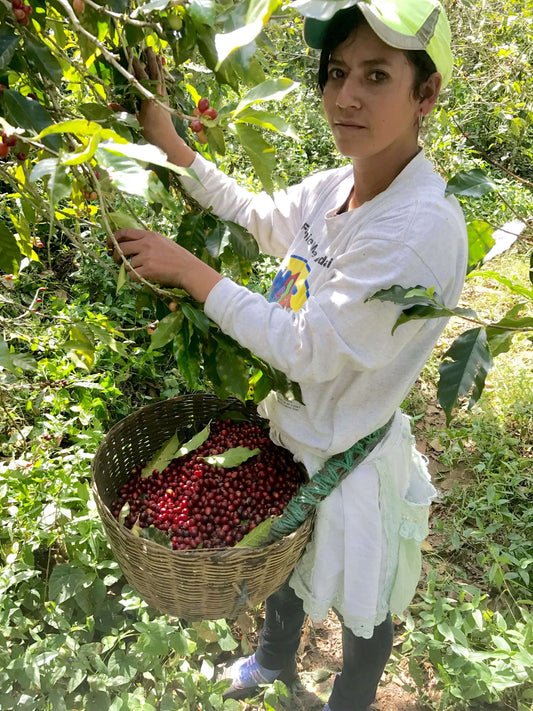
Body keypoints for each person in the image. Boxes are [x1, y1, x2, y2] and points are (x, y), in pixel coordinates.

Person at [109, 0, 468, 708]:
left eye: (375, 75)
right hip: (291, 437)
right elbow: (257, 213)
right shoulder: (340, 185)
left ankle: (350, 698)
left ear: (425, 93)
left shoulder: (416, 228)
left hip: (349, 451)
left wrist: (193, 272)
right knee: (285, 571)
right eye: (337, 72)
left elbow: (309, 351)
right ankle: (273, 662)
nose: (345, 96)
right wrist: (173, 143)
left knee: (363, 605)